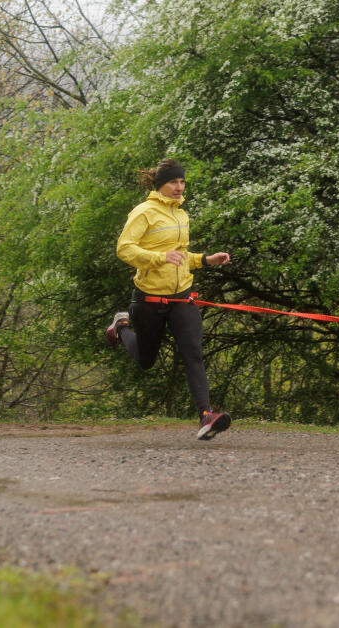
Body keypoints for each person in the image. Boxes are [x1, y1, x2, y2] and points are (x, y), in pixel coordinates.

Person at [105, 159, 233, 440]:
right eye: (174, 182)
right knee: (146, 360)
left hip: (181, 298)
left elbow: (180, 257)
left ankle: (206, 416)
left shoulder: (181, 215)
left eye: (182, 182)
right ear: (160, 184)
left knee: (193, 354)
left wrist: (205, 260)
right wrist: (159, 258)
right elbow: (124, 249)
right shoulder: (144, 212)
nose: (179, 187)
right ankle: (121, 327)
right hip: (148, 300)